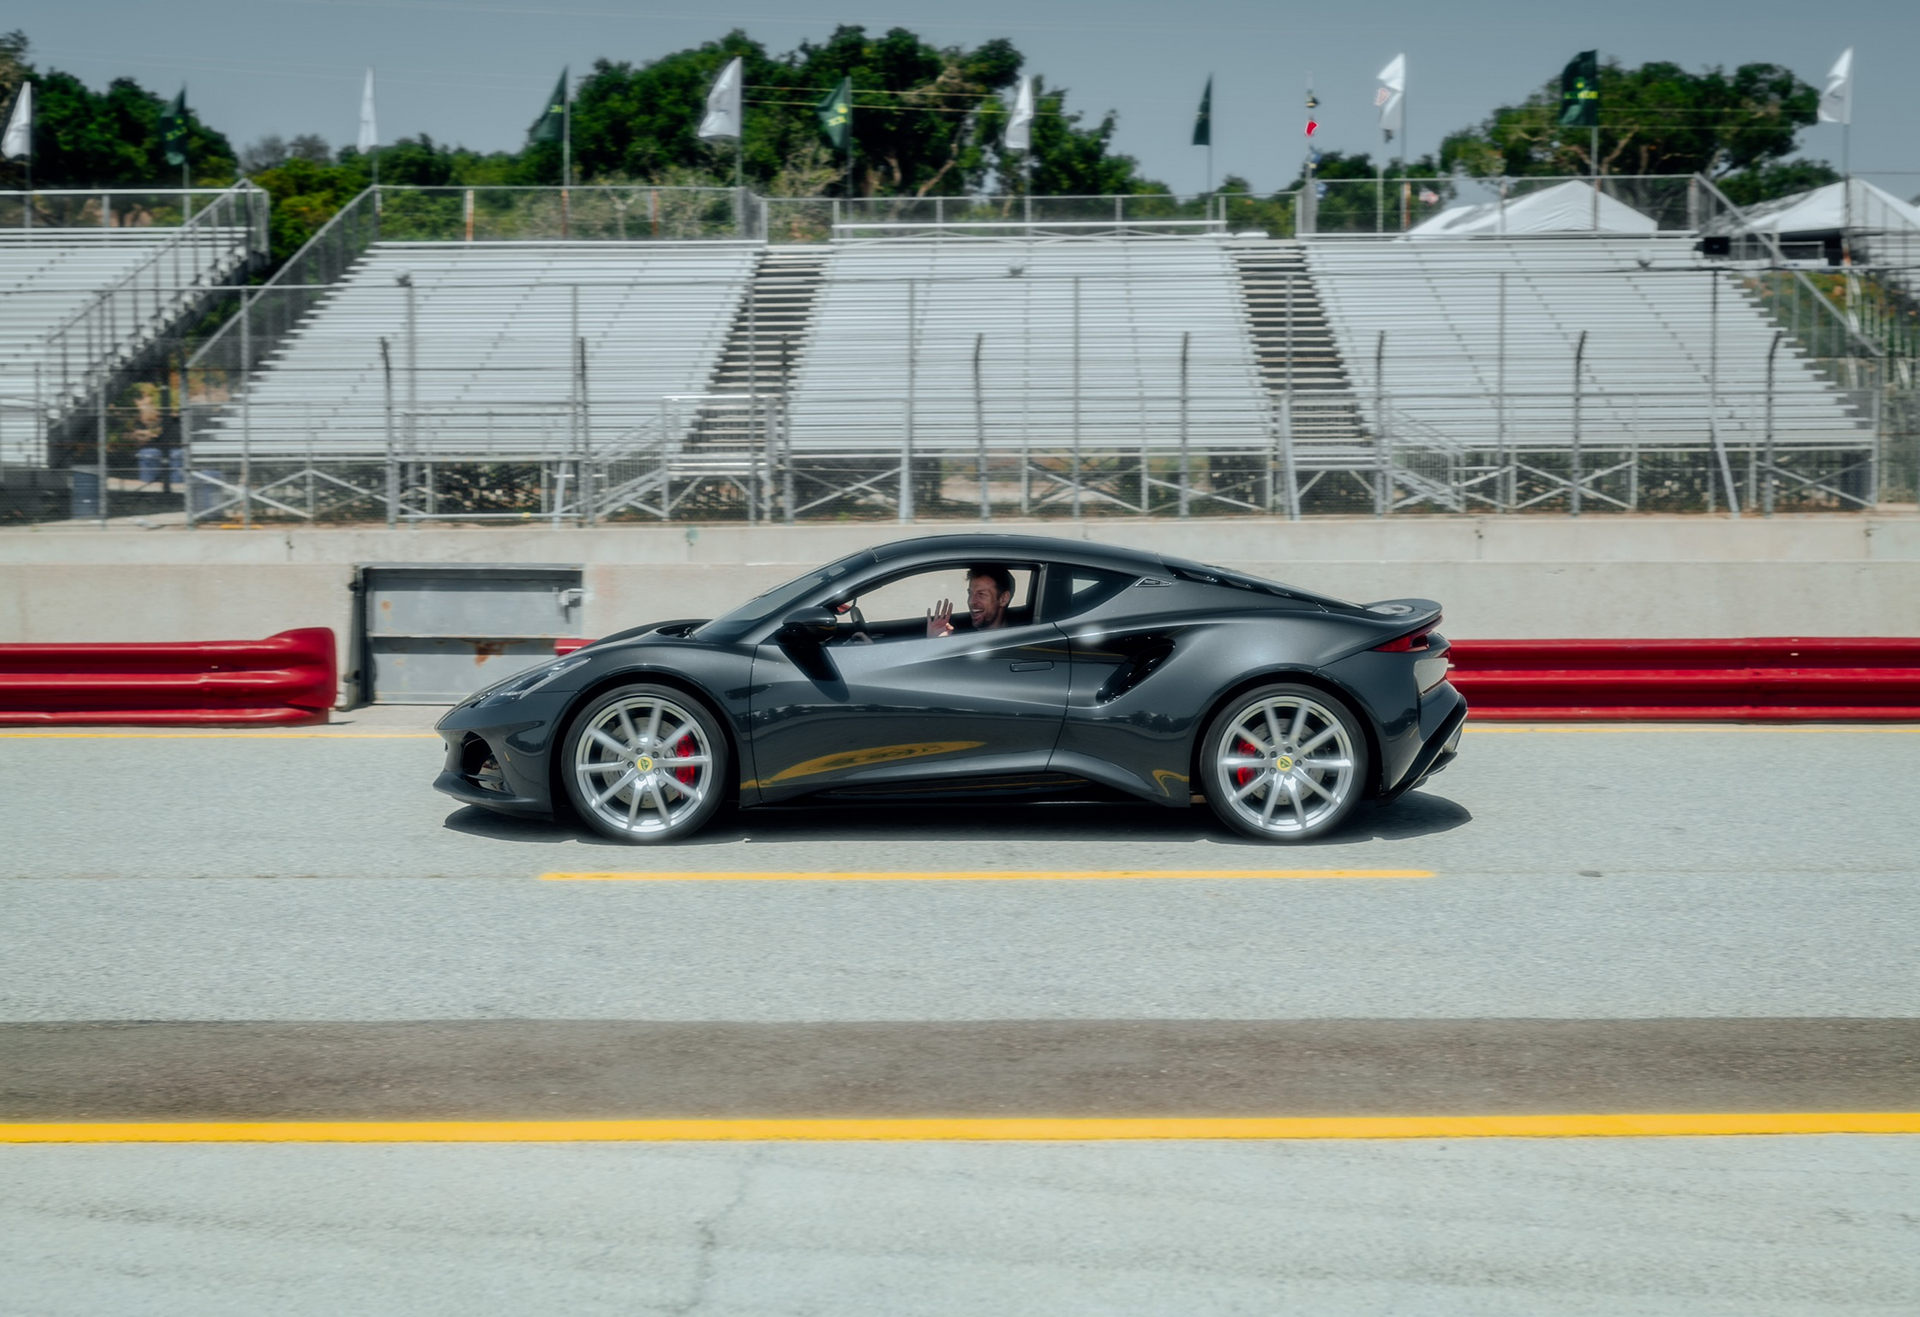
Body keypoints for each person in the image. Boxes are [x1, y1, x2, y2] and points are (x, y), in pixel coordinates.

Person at [927, 564, 1015, 637]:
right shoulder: (959, 636)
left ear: (1003, 599)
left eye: (981, 594)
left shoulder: (1018, 642)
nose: (971, 601)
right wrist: (935, 642)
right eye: (970, 593)